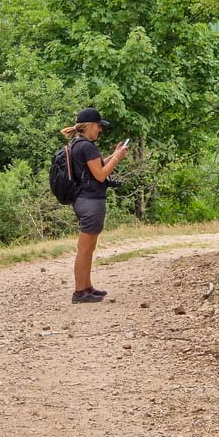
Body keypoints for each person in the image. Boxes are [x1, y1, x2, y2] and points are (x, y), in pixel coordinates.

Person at [61, 107, 129, 304]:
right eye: (98, 126)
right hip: (91, 202)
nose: (100, 130)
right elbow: (100, 175)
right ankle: (79, 292)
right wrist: (117, 158)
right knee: (85, 248)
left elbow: (95, 169)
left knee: (88, 247)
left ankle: (87, 287)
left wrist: (113, 155)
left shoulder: (77, 144)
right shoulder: (88, 147)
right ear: (89, 125)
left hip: (82, 200)